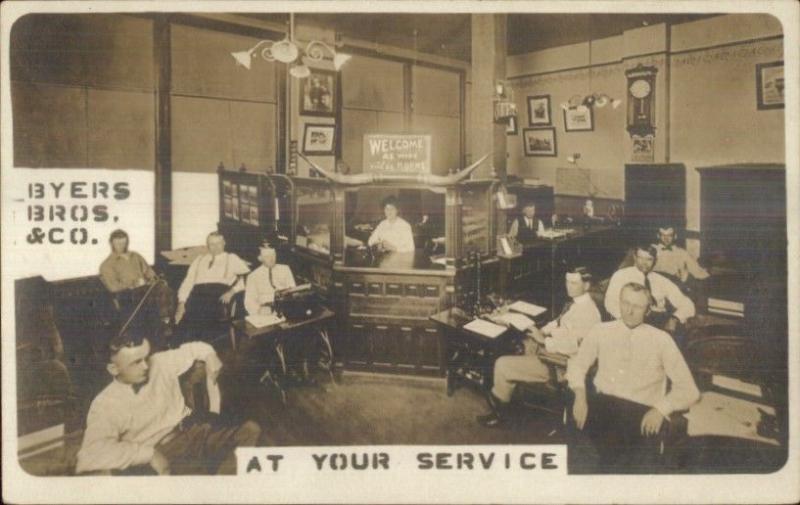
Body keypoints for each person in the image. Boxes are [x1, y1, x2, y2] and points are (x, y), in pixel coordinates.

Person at [75, 333, 261, 475]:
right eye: (136, 362)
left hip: (191, 431)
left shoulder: (160, 362)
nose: (146, 367)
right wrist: (148, 454)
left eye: (146, 357)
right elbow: (91, 454)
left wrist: (211, 355)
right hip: (162, 451)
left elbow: (194, 348)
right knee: (197, 476)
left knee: (251, 431)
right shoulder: (105, 403)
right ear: (113, 369)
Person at [567, 282, 700, 472]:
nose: (629, 311)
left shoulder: (662, 340)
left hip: (641, 417)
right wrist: (580, 396)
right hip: (600, 409)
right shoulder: (600, 330)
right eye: (625, 303)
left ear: (648, 310)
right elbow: (577, 365)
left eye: (637, 307)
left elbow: (689, 390)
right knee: (580, 466)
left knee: (625, 474)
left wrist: (660, 410)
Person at [477, 267, 601, 428]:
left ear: (586, 285)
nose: (569, 286)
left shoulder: (589, 313)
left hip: (558, 365)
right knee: (513, 343)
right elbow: (558, 321)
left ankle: (500, 413)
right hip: (553, 348)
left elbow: (576, 346)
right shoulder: (577, 304)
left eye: (574, 283)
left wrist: (542, 340)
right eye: (567, 281)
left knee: (502, 364)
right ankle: (504, 391)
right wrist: (540, 330)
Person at [99, 229, 174, 342]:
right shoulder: (107, 265)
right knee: (147, 301)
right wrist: (133, 283)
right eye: (118, 243)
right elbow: (113, 287)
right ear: (111, 243)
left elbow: (149, 273)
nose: (121, 246)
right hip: (127, 294)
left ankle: (165, 322)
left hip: (146, 289)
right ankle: (158, 328)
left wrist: (155, 279)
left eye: (124, 243)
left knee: (164, 289)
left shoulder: (136, 256)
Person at [175, 232, 250, 343]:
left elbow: (248, 279)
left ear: (224, 243)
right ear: (207, 246)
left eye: (218, 243)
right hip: (197, 294)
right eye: (211, 244)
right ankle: (181, 348)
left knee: (198, 318)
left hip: (217, 294)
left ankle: (197, 347)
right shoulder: (199, 259)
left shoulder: (231, 258)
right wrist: (181, 302)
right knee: (184, 317)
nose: (215, 247)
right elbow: (188, 281)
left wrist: (232, 292)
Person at [604, 243, 695, 334]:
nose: (644, 263)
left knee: (678, 333)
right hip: (634, 320)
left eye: (649, 259)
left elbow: (687, 304)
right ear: (635, 257)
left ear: (655, 260)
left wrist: (675, 318)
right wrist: (628, 321)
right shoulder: (621, 275)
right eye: (641, 258)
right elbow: (610, 302)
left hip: (660, 321)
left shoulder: (661, 280)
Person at [245, 245, 296, 316]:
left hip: (285, 308)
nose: (272, 259)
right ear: (260, 258)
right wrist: (258, 309)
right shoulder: (253, 276)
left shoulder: (285, 269)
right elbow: (249, 301)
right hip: (264, 311)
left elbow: (293, 292)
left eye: (273, 255)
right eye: (267, 256)